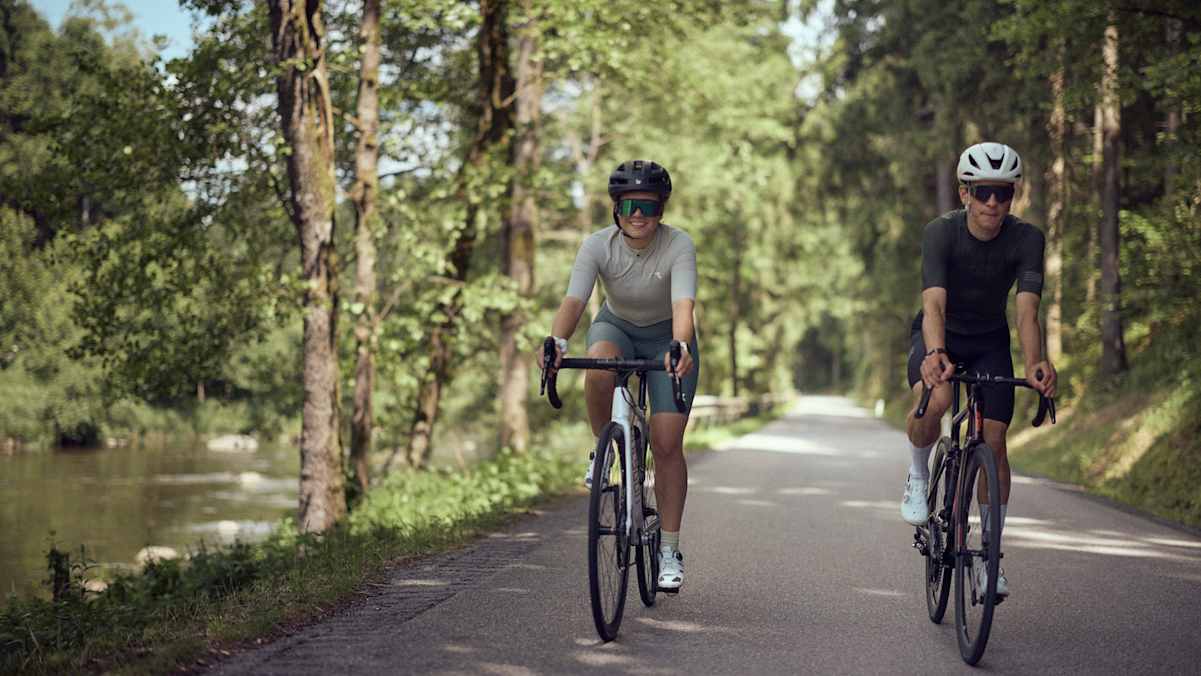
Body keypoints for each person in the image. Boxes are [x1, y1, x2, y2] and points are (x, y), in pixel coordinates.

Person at [899, 142, 1057, 599]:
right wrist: (935, 353)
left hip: (989, 341)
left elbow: (1027, 313)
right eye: (984, 191)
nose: (993, 202)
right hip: (940, 332)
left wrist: (1036, 364)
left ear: (1013, 197)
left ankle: (989, 559)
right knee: (941, 400)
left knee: (995, 440)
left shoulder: (1027, 239)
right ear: (965, 192)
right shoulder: (941, 233)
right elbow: (933, 304)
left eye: (1003, 193)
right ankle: (918, 471)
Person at [540, 160, 699, 592]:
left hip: (668, 338)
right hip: (618, 327)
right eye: (629, 204)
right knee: (599, 363)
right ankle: (604, 450)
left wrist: (680, 346)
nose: (638, 214)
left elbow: (684, 307)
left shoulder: (678, 245)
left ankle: (669, 550)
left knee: (667, 444)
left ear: (661, 210)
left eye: (648, 206)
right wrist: (556, 340)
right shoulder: (596, 245)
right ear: (616, 208)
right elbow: (575, 300)